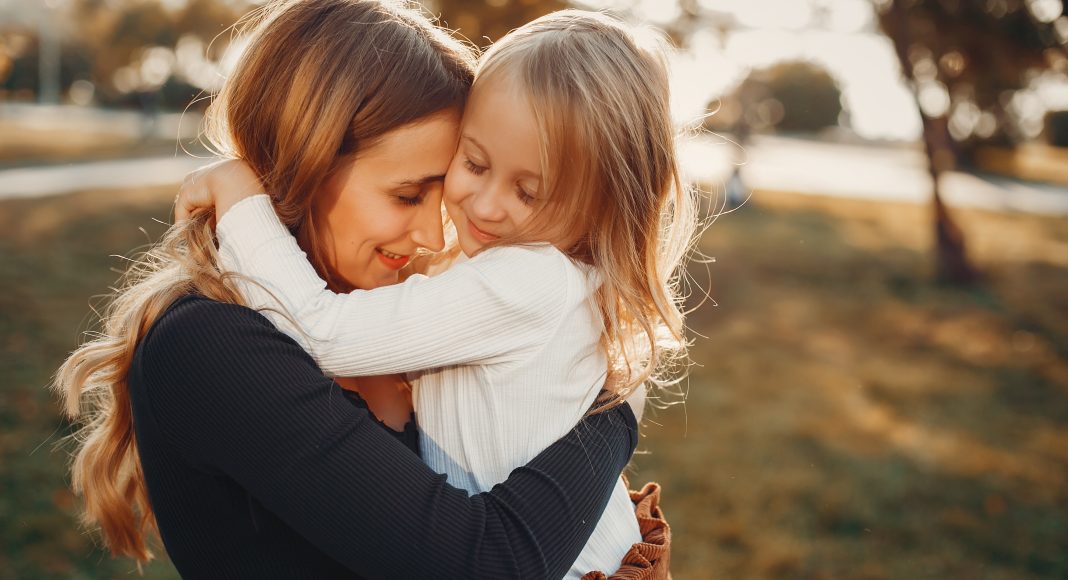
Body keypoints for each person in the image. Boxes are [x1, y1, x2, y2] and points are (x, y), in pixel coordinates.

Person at [53, 1, 647, 578]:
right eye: (409, 195)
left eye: (440, 193)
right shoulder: (208, 344)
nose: (428, 232)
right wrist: (614, 413)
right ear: (307, 165)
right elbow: (486, 561)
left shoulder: (408, 310)